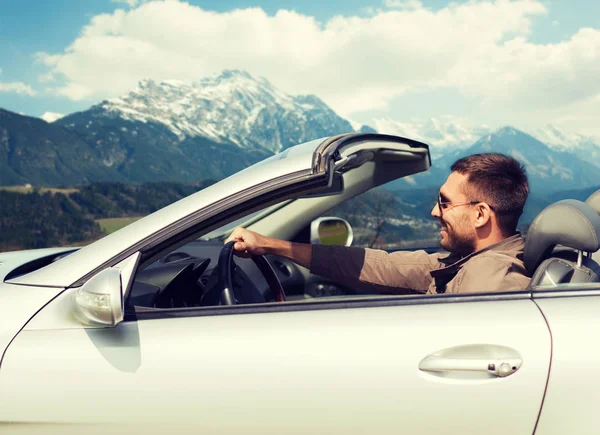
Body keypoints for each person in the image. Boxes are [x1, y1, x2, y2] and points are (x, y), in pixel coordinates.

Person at [225, 153, 531, 294]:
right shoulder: (466, 262)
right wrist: (270, 245)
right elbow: (380, 265)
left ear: (480, 215)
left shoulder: (493, 281)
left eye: (445, 202)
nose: (434, 211)